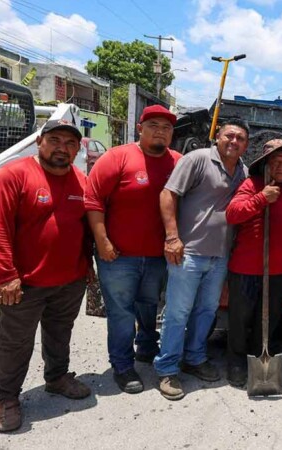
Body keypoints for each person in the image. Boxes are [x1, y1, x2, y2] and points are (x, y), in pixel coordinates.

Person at [0, 118, 91, 432]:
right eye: (55, 140)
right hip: (24, 283)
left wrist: (88, 269)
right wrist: (5, 276)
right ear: (39, 141)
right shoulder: (12, 176)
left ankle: (57, 378)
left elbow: (86, 229)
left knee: (60, 333)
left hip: (69, 280)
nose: (63, 148)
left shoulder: (81, 181)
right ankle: (5, 398)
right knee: (15, 343)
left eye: (70, 143)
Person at [85, 105, 182, 394]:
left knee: (149, 306)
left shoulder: (177, 162)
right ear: (140, 128)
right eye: (153, 125)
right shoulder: (117, 157)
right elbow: (93, 201)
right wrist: (102, 241)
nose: (160, 131)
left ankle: (146, 350)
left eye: (166, 127)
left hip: (157, 256)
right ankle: (123, 366)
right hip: (119, 256)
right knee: (121, 312)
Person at [153, 118, 250, 400]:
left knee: (206, 311)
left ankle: (194, 358)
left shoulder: (242, 171)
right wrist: (172, 237)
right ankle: (167, 368)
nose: (234, 141)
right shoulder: (196, 160)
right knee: (177, 312)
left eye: (241, 139)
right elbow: (168, 194)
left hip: (220, 256)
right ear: (218, 136)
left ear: (246, 144)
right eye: (229, 136)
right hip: (189, 252)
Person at [224, 139, 282, 387]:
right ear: (266, 165)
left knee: (268, 320)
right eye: (277, 162)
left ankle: (257, 358)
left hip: (278, 271)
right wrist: (261, 198)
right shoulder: (252, 184)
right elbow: (232, 214)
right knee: (240, 319)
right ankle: (236, 363)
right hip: (245, 269)